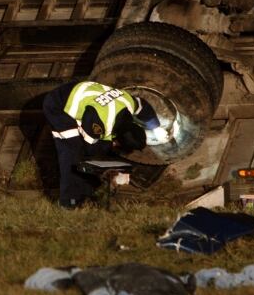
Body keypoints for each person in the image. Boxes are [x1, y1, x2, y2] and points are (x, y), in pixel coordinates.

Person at [43, 80, 167, 208]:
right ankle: (70, 202)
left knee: (89, 154)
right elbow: (89, 148)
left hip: (80, 90)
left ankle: (89, 192)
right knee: (73, 153)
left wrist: (156, 127)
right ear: (117, 140)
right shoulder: (99, 123)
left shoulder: (128, 103)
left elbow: (144, 107)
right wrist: (108, 145)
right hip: (57, 105)